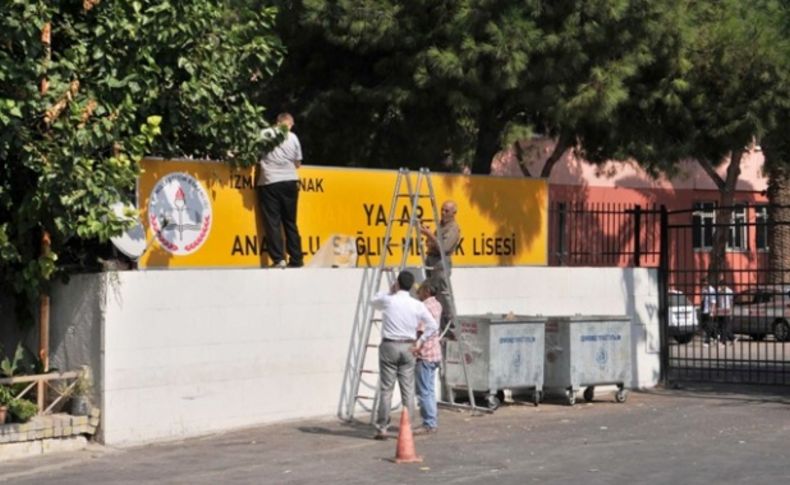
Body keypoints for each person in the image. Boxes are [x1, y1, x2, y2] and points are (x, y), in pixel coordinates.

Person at [371, 271, 439, 440]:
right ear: (412, 286)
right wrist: (420, 341)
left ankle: (382, 427)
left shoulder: (389, 300)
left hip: (389, 345)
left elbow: (373, 300)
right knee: (408, 390)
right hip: (408, 345)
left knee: (386, 388)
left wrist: (390, 291)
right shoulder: (417, 305)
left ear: (398, 283)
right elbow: (432, 325)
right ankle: (407, 426)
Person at [257, 112, 304, 268]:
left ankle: (279, 259)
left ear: (277, 122)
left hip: (270, 181)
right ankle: (297, 259)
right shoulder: (294, 137)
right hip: (291, 181)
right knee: (290, 222)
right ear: (289, 124)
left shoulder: (266, 133)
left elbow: (255, 153)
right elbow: (298, 163)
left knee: (273, 222)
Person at [420, 200, 461, 328]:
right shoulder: (441, 225)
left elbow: (444, 248)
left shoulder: (453, 228)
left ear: (454, 213)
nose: (443, 213)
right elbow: (432, 244)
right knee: (432, 293)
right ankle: (438, 324)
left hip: (441, 261)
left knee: (443, 294)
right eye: (442, 210)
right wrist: (429, 237)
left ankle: (452, 325)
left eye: (446, 211)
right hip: (432, 259)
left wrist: (430, 235)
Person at [413, 282, 442, 435]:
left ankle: (429, 423)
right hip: (435, 353)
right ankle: (432, 421)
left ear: (426, 291)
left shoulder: (423, 307)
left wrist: (415, 345)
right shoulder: (437, 304)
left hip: (425, 353)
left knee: (424, 391)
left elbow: (421, 330)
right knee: (430, 390)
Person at [716, 277, 735, 345]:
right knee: (721, 326)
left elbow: (731, 302)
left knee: (724, 326)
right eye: (720, 286)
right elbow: (718, 301)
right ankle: (732, 338)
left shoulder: (729, 291)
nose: (720, 287)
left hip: (727, 310)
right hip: (720, 310)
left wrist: (731, 312)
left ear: (725, 285)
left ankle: (722, 342)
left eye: (721, 286)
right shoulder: (719, 291)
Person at [700, 276, 717, 347]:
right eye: (703, 282)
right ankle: (715, 336)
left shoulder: (711, 290)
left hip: (710, 310)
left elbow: (713, 301)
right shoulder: (703, 289)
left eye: (705, 282)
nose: (704, 284)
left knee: (708, 325)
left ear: (708, 282)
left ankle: (707, 341)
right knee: (704, 325)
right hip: (704, 310)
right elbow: (702, 299)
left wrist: (712, 311)